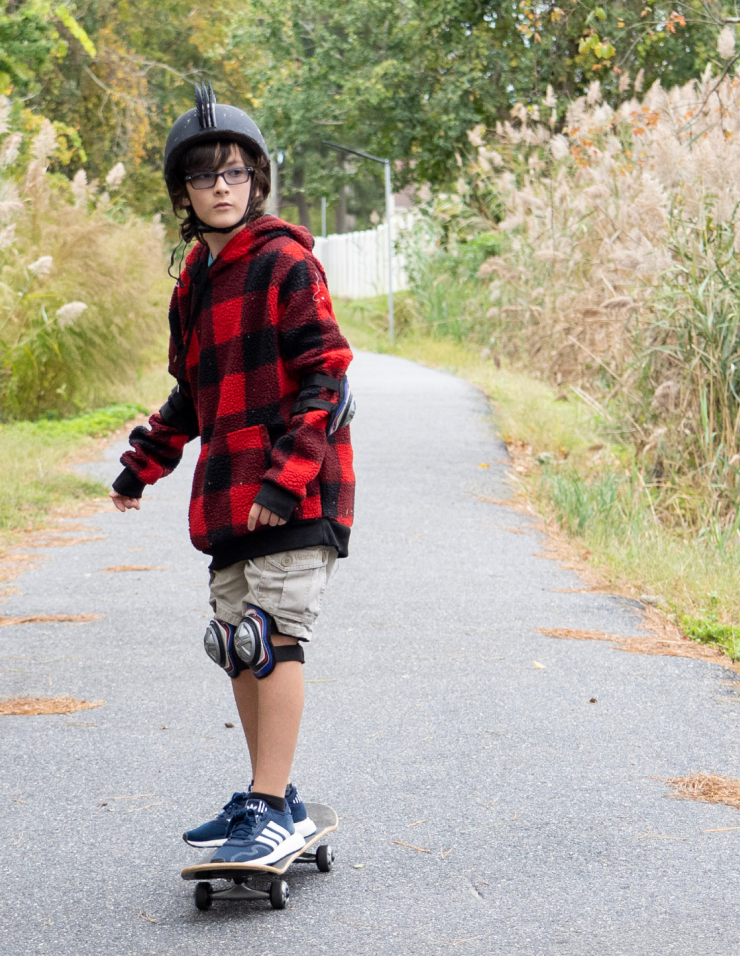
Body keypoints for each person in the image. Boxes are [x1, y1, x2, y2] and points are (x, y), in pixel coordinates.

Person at [109, 84, 355, 864]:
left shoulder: (285, 261)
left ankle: (269, 805)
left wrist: (287, 480)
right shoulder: (195, 282)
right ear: (183, 191)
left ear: (256, 179)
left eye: (235, 173)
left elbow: (327, 377)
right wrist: (141, 467)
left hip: (295, 490)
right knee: (238, 645)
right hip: (229, 496)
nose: (221, 186)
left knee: (274, 638)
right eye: (204, 175)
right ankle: (269, 797)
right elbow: (196, 391)